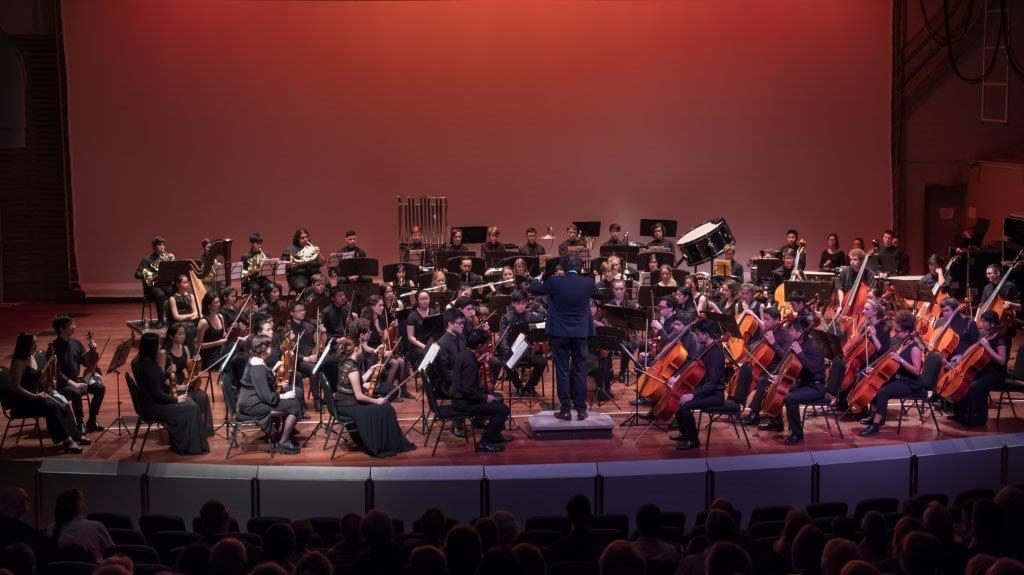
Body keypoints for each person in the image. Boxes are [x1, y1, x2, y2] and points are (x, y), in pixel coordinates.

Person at [530, 254, 599, 420]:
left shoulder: (555, 281)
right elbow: (600, 295)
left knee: (562, 371)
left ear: (564, 267)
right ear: (579, 267)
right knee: (580, 370)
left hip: (559, 333)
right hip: (580, 333)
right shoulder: (588, 283)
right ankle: (581, 410)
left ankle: (566, 410)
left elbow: (535, 289)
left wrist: (539, 277)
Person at [333, 321, 415, 457]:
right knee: (385, 408)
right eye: (360, 348)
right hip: (350, 405)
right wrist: (377, 401)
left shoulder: (345, 362)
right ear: (355, 350)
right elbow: (359, 396)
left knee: (384, 406)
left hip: (343, 402)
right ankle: (383, 444)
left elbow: (357, 381)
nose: (362, 349)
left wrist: (370, 370)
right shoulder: (353, 369)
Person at [5, 333, 88, 453]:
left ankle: (76, 435)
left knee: (62, 402)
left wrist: (48, 389)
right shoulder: (18, 363)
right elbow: (15, 387)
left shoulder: (32, 357)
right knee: (53, 407)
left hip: (35, 397)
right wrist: (34, 396)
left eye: (36, 343)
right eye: (33, 343)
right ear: (25, 345)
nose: (36, 346)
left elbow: (35, 379)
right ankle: (67, 440)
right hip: (23, 402)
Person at [132, 333, 210, 455]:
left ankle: (186, 444)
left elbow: (158, 380)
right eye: (158, 344)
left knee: (190, 404)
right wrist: (176, 400)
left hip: (150, 403)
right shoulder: (149, 366)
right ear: (152, 347)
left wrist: (168, 373)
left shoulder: (143, 362)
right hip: (153, 408)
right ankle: (188, 446)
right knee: (192, 407)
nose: (160, 347)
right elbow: (157, 394)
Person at [858, 311, 924, 436]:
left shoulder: (915, 348)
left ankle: (875, 425)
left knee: (884, 391)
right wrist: (875, 371)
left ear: (907, 332)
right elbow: (891, 364)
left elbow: (916, 371)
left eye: (897, 331)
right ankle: (875, 416)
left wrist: (901, 360)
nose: (895, 333)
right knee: (877, 384)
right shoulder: (902, 344)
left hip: (911, 383)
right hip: (900, 378)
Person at [238, 334, 302, 454]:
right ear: (263, 348)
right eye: (269, 346)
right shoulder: (258, 367)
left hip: (253, 399)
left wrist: (274, 374)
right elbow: (266, 396)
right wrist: (284, 396)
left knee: (293, 400)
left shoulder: (257, 360)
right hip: (253, 404)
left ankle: (284, 435)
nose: (272, 348)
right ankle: (283, 442)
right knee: (294, 405)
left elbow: (263, 382)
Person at [670, 319, 726, 450]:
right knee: (678, 398)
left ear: (706, 334)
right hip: (705, 390)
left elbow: (711, 383)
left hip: (714, 394)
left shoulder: (715, 354)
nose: (696, 336)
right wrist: (677, 377)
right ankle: (685, 433)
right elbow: (692, 365)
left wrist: (693, 395)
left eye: (698, 334)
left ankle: (693, 440)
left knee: (684, 405)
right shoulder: (705, 349)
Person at [456, 329, 512, 452]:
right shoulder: (470, 362)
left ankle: (495, 436)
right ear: (479, 345)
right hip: (465, 402)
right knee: (503, 410)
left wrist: (479, 361)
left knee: (499, 398)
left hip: (462, 397)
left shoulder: (464, 354)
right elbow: (467, 389)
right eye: (485, 344)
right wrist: (485, 397)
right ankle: (484, 442)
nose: (486, 346)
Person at [48, 314, 106, 433]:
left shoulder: (76, 343)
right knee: (76, 392)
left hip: (77, 379)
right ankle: (79, 423)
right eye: (71, 325)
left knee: (100, 388)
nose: (74, 326)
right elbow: (56, 372)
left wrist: (92, 351)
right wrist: (73, 383)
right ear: (61, 329)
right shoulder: (53, 348)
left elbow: (85, 363)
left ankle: (92, 421)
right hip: (62, 384)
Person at [952, 310, 1007, 428]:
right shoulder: (987, 335)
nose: (980, 324)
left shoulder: (1000, 338)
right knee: (965, 383)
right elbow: (973, 347)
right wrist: (962, 357)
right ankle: (962, 414)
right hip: (984, 371)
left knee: (974, 385)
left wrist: (988, 347)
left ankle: (980, 418)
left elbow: (1002, 361)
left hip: (996, 375)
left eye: (983, 322)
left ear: (992, 324)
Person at [742, 307, 792, 429]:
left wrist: (773, 343)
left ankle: (754, 412)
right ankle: (735, 405)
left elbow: (786, 357)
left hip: (776, 369)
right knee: (745, 371)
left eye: (767, 319)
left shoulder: (785, 334)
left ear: (777, 320)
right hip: (765, 366)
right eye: (764, 319)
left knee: (762, 380)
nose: (764, 322)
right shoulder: (768, 331)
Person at [490, 290, 546, 396]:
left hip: (529, 350)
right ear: (513, 303)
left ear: (527, 302)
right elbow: (504, 338)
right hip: (513, 349)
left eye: (523, 303)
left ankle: (530, 386)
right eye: (518, 303)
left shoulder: (532, 316)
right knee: (506, 363)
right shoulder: (506, 317)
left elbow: (541, 329)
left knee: (542, 362)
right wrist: (508, 352)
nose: (521, 306)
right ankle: (519, 386)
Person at [162, 323, 214, 436]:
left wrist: (197, 362)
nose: (183, 336)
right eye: (179, 334)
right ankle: (188, 431)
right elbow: (160, 377)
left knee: (203, 396)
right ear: (171, 336)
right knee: (191, 403)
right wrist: (176, 386)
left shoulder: (185, 348)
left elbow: (189, 369)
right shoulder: (164, 353)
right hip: (171, 387)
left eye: (184, 334)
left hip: (184, 383)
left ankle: (200, 430)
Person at [781, 316, 826, 445]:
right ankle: (777, 423)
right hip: (805, 384)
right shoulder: (800, 345)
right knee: (781, 389)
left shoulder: (812, 347)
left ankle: (797, 434)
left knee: (790, 398)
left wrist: (800, 353)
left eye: (791, 331)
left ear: (800, 332)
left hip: (816, 387)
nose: (789, 333)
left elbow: (812, 368)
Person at [46, 489, 113, 563]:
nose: (85, 503)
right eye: (83, 500)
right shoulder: (96, 527)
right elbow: (112, 553)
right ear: (78, 505)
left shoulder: (50, 529)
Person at [135, 235, 175, 328]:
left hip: (165, 285)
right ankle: (160, 320)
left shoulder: (167, 258)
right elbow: (137, 274)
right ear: (154, 247)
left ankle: (173, 318)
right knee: (160, 295)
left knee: (174, 291)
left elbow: (172, 272)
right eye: (159, 245)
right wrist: (149, 275)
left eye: (163, 245)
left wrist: (173, 262)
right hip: (153, 286)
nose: (162, 247)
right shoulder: (147, 260)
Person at [282, 228, 323, 294]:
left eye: (306, 237)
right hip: (298, 276)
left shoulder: (313, 248)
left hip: (314, 274)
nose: (305, 239)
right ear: (297, 239)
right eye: (302, 238)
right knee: (301, 286)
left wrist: (319, 253)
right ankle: (306, 299)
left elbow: (322, 263)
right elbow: (284, 266)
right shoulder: (289, 250)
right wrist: (294, 263)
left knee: (327, 284)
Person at [195, 293, 228, 370]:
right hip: (209, 356)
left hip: (221, 351)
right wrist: (217, 343)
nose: (219, 304)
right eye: (216, 302)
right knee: (227, 364)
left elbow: (224, 334)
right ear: (209, 305)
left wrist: (228, 333)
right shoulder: (203, 322)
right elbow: (199, 346)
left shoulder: (220, 317)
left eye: (219, 302)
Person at [167, 273, 200, 351]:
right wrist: (190, 316)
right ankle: (190, 352)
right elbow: (176, 317)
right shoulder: (172, 298)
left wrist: (186, 316)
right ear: (177, 284)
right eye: (184, 282)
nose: (187, 284)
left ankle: (194, 350)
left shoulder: (191, 296)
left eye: (187, 282)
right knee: (188, 331)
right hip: (178, 323)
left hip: (190, 322)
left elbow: (196, 313)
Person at [241, 233, 271, 301]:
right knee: (256, 288)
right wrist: (248, 273)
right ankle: (257, 305)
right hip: (250, 280)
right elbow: (243, 272)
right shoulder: (245, 256)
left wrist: (266, 263)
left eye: (260, 244)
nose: (259, 246)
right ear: (252, 244)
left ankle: (269, 304)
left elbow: (268, 270)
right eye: (257, 244)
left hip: (262, 279)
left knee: (272, 286)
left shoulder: (265, 255)